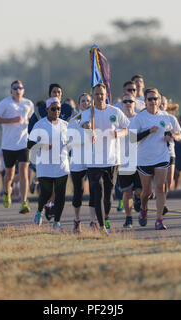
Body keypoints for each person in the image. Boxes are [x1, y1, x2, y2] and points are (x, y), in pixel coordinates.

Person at [129, 88, 181, 230]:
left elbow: (176, 133)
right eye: (150, 99)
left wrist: (170, 137)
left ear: (159, 100)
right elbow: (132, 139)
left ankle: (159, 219)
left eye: (155, 99)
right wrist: (148, 131)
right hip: (144, 159)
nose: (153, 101)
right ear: (145, 101)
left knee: (160, 187)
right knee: (147, 192)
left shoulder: (166, 117)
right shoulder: (139, 118)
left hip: (162, 156)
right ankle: (144, 208)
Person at [81, 83, 130, 234]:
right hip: (94, 161)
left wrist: (119, 134)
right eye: (96, 94)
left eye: (102, 94)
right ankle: (101, 226)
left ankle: (106, 216)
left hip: (112, 159)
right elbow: (84, 124)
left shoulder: (115, 111)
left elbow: (126, 128)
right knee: (98, 192)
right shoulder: (89, 113)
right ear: (93, 96)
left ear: (106, 95)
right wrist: (89, 128)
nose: (99, 96)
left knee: (108, 197)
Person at [0, 80, 34, 213]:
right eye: (15, 88)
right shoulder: (5, 103)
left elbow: (30, 118)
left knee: (24, 172)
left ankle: (23, 202)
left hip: (23, 143)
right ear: (11, 90)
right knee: (9, 175)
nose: (17, 90)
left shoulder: (28, 103)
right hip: (8, 145)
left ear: (23, 90)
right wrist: (10, 120)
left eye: (20, 88)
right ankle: (6, 191)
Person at [29, 97, 70, 232]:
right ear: (47, 110)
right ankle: (40, 211)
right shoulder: (40, 125)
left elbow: (74, 141)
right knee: (46, 193)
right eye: (53, 109)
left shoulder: (65, 125)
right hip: (44, 165)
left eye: (59, 109)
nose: (57, 111)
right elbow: (29, 144)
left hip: (61, 165)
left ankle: (57, 222)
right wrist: (43, 145)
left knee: (60, 194)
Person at [68, 93, 93, 233]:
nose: (86, 103)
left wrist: (90, 129)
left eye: (88, 101)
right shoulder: (73, 121)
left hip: (93, 160)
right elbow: (71, 141)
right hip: (77, 161)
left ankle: (93, 220)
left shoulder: (96, 118)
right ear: (78, 104)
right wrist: (84, 130)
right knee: (79, 192)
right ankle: (77, 220)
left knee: (95, 191)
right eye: (83, 101)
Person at [118, 93, 142, 229]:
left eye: (130, 101)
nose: (128, 103)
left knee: (140, 191)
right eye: (125, 101)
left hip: (139, 160)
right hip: (124, 161)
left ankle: (138, 199)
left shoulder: (139, 119)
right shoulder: (117, 120)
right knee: (127, 192)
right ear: (122, 105)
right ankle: (128, 218)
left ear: (135, 104)